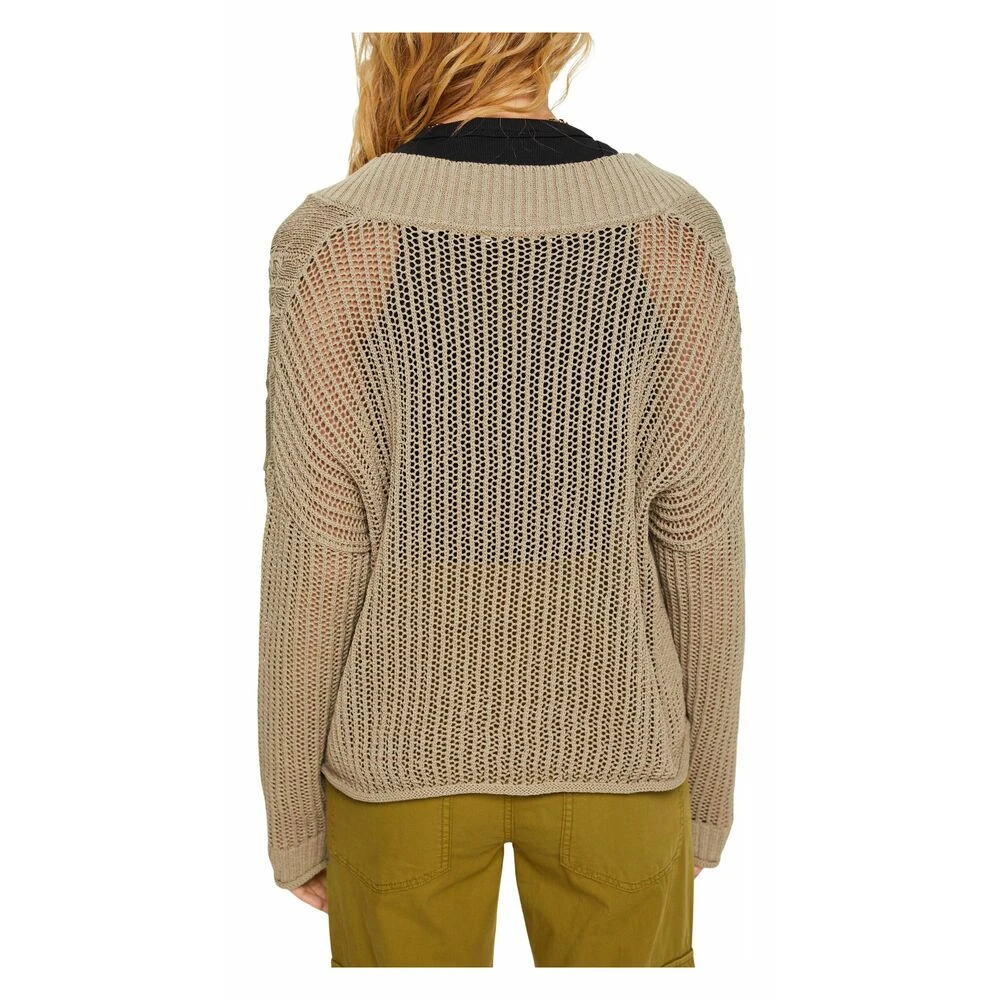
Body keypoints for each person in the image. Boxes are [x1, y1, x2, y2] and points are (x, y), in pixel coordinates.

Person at [258, 31, 746, 967]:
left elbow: (316, 549)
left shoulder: (340, 240)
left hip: (401, 755)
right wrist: (708, 801)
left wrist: (293, 817)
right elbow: (703, 540)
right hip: (618, 750)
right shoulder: (672, 232)